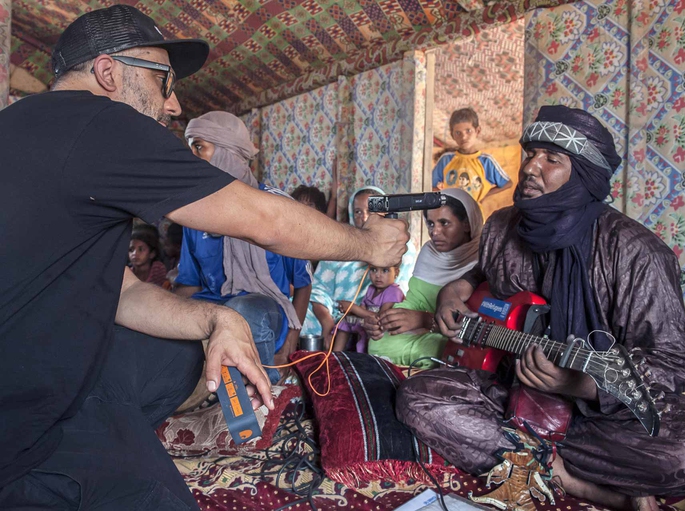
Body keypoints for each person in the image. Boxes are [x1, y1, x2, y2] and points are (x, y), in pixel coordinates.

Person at [0, 5, 407, 510]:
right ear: (108, 72)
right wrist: (368, 244)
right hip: (24, 418)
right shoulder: (102, 122)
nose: (172, 105)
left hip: (48, 366)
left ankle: (113, 424)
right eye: (163, 81)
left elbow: (121, 292)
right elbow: (268, 222)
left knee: (189, 346)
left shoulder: (23, 126)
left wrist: (217, 318)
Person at [399, 106, 685, 511]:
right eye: (530, 154)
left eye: (552, 159)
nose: (530, 167)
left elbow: (675, 362)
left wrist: (581, 386)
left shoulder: (637, 253)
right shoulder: (503, 226)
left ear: (582, 174)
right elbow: (479, 274)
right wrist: (452, 292)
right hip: (509, 387)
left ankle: (535, 458)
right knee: (415, 398)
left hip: (601, 412)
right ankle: (576, 479)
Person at [177, 110, 313, 384]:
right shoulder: (194, 214)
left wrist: (290, 344)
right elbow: (189, 285)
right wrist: (165, 310)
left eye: (199, 147)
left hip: (265, 312)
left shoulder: (274, 207)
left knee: (241, 310)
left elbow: (303, 282)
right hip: (214, 308)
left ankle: (262, 392)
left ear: (227, 152)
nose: (191, 157)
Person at [366, 188, 483, 367]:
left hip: (453, 337)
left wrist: (425, 320)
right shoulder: (429, 253)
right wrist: (384, 322)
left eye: (444, 223)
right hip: (424, 333)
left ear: (467, 223)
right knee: (378, 342)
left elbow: (473, 324)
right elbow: (414, 301)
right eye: (430, 223)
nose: (434, 232)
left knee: (448, 349)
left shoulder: (482, 261)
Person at [301, 186, 417, 349]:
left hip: (374, 316)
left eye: (371, 211)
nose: (364, 218)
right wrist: (327, 321)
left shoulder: (400, 246)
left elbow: (399, 292)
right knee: (294, 312)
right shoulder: (338, 244)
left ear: (385, 213)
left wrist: (361, 313)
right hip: (333, 313)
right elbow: (318, 289)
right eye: (358, 212)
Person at [432, 107, 513, 204]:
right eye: (458, 133)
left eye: (468, 131)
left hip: (474, 211)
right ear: (452, 135)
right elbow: (431, 184)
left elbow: (507, 183)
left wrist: (484, 196)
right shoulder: (446, 159)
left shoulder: (486, 161)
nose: (463, 137)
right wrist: (444, 199)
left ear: (477, 131)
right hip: (450, 210)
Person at [333, 263, 404, 352]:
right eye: (374, 270)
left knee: (369, 328)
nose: (378, 275)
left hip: (382, 329)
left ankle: (363, 354)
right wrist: (350, 310)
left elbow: (381, 318)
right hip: (368, 322)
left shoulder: (394, 291)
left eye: (385, 270)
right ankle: (335, 354)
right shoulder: (371, 289)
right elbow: (362, 310)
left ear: (396, 272)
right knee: (346, 321)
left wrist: (353, 308)